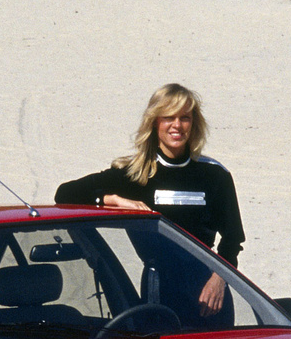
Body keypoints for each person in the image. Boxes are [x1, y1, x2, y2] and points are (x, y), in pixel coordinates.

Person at [54, 84, 244, 318]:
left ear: (194, 123)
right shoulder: (135, 174)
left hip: (209, 295)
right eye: (168, 117)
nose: (177, 126)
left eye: (184, 118)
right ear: (155, 122)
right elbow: (65, 194)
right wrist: (113, 200)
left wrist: (218, 281)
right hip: (158, 293)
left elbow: (233, 238)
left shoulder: (214, 175)